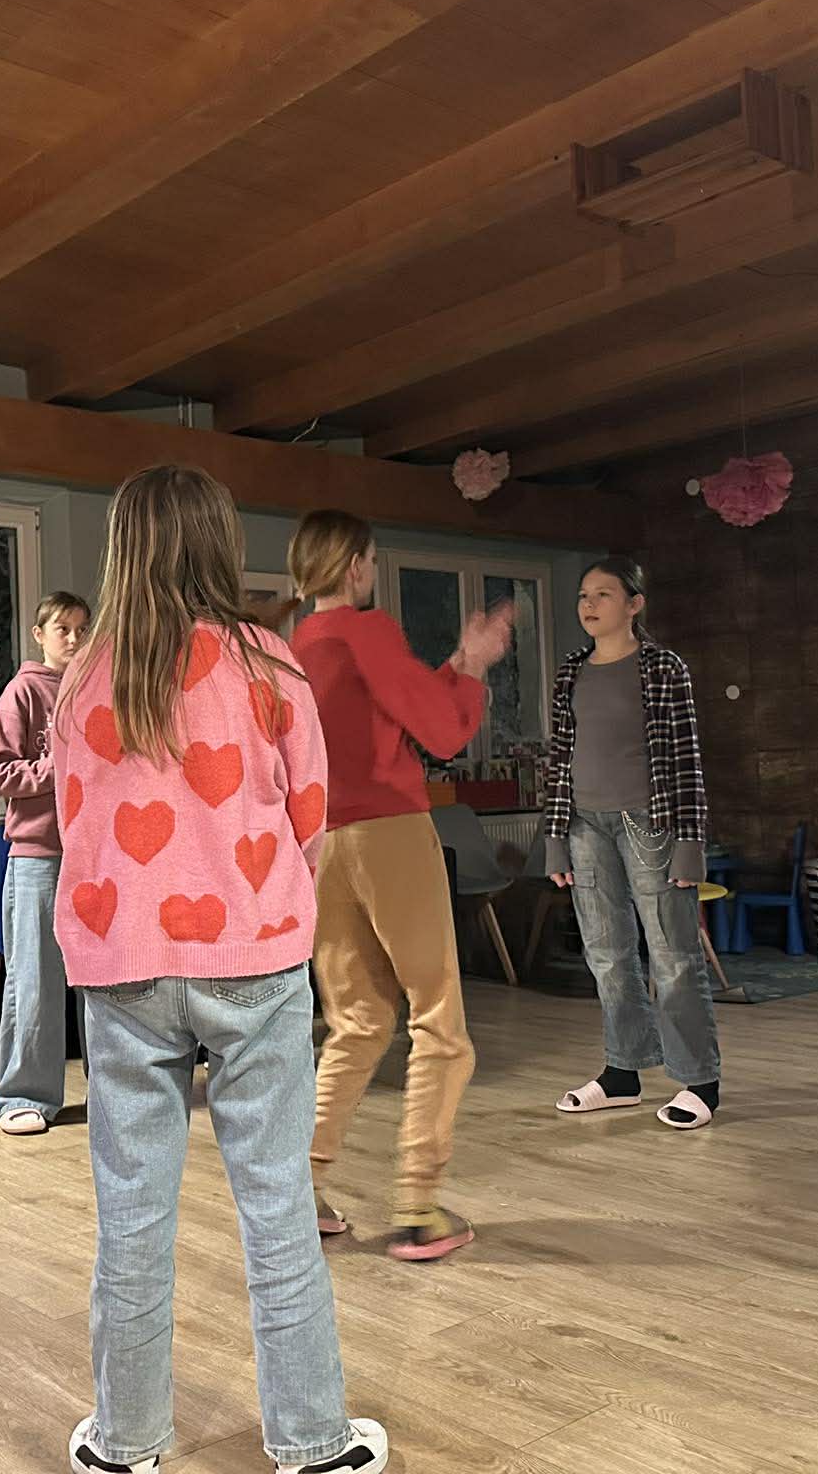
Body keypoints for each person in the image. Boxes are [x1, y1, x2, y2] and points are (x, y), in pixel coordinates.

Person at [54, 466, 387, 1474]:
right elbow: (310, 814)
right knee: (277, 1203)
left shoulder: (83, 675)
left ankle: (125, 1443)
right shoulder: (268, 663)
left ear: (123, 548)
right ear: (217, 543)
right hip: (252, 955)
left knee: (132, 1213)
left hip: (122, 967)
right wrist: (268, 902)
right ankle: (313, 1444)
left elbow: (75, 826)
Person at [285, 509, 511, 1261]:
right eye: (373, 560)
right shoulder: (366, 630)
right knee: (439, 1020)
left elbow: (392, 706)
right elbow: (443, 730)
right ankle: (418, 1206)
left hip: (323, 845)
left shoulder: (295, 648)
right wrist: (474, 667)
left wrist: (457, 663)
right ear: (355, 565)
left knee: (355, 1022)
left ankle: (300, 1190)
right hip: (389, 831)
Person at [545, 557, 722, 1129]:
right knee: (606, 955)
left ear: (634, 603)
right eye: (583, 595)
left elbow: (687, 759)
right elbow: (558, 760)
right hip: (584, 827)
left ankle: (699, 1080)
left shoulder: (663, 668)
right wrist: (555, 838)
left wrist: (691, 842)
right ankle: (622, 1073)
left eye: (603, 594)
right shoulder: (570, 672)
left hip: (651, 824)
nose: (589, 605)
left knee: (673, 955)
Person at [0, 590, 93, 1135]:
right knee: (35, 981)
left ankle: (113, 1090)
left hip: (93, 859)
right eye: (62, 629)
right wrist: (60, 767)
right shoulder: (22, 692)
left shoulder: (95, 690)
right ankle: (23, 1096)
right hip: (38, 858)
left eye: (81, 629)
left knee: (102, 981)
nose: (73, 639)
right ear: (39, 635)